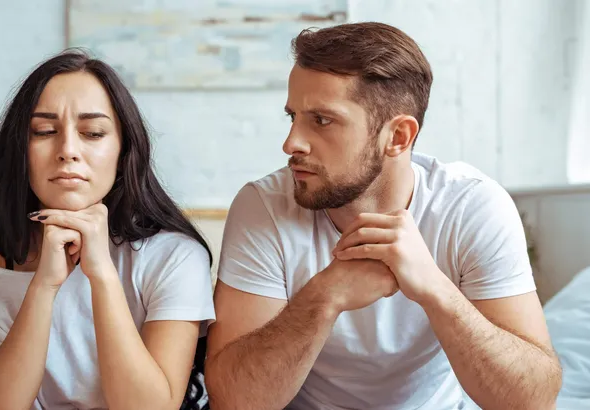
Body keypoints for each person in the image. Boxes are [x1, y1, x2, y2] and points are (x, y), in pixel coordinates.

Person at [205, 22, 562, 410]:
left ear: (398, 137)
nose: (291, 142)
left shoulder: (472, 207)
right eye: (293, 116)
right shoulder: (264, 207)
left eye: (322, 120)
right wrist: (326, 296)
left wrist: (435, 289)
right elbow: (233, 401)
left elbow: (532, 399)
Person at [0, 50, 215, 410]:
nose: (68, 150)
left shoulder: (175, 257)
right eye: (44, 131)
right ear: (20, 148)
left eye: (93, 133)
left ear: (124, 150)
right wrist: (44, 287)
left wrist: (102, 276)